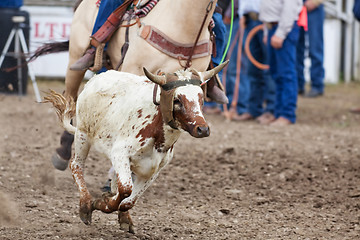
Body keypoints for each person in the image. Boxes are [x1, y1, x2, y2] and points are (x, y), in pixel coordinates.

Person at [259, 0, 302, 126]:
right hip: (272, 27)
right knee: (276, 73)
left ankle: (287, 114)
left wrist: (281, 33)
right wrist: (267, 31)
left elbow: (290, 8)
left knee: (286, 73)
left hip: (283, 28)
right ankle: (278, 112)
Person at [235, 0, 276, 124]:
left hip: (267, 20)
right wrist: (242, 14)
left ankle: (271, 109)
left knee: (269, 68)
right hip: (250, 19)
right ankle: (254, 109)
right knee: (253, 69)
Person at [296, 0, 325, 98]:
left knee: (315, 47)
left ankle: (317, 85)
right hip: (295, 7)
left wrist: (316, 1)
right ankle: (298, 85)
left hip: (314, 8)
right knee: (296, 48)